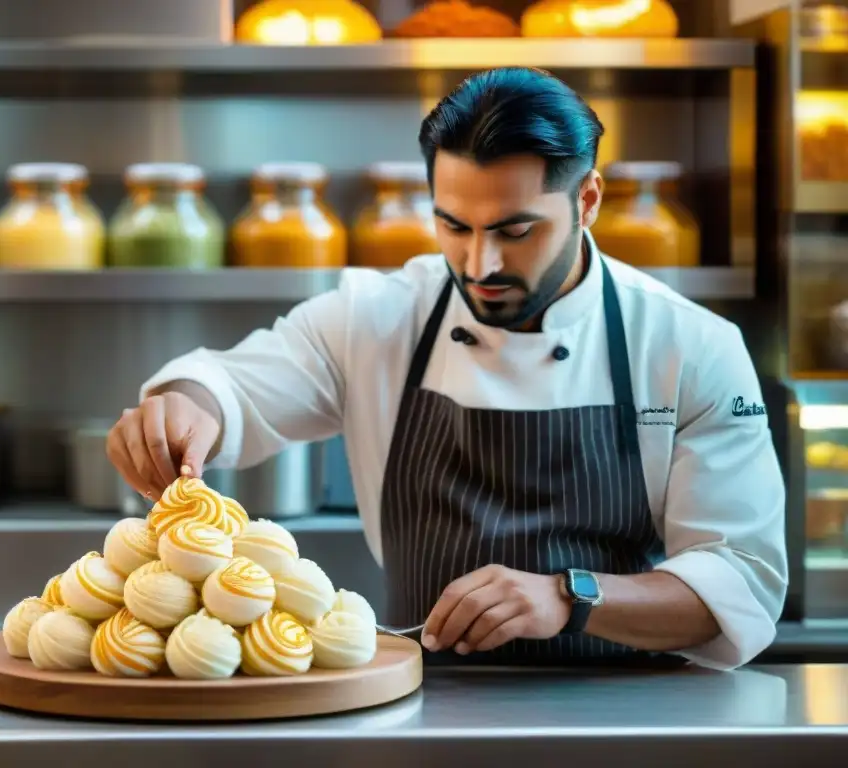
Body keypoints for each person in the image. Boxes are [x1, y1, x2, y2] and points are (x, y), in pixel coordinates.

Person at [107, 67, 788, 670]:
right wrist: (184, 403)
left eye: (515, 232)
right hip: (418, 696)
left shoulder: (690, 344)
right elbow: (231, 385)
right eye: (454, 226)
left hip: (629, 710)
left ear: (587, 201)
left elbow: (741, 579)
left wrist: (569, 596)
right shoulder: (376, 314)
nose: (480, 265)